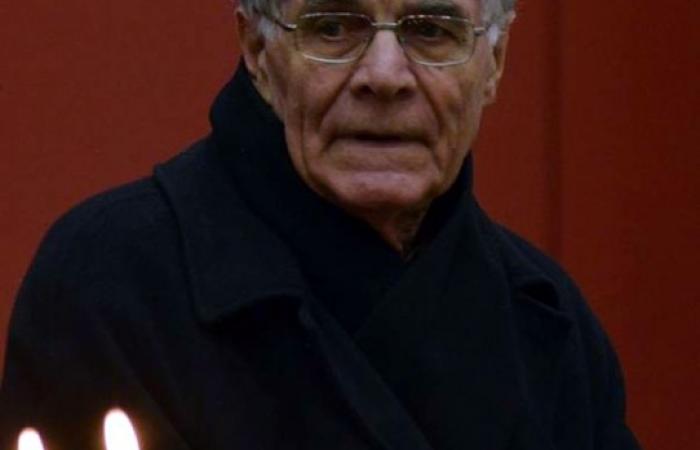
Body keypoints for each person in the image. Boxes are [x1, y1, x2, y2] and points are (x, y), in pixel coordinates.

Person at [0, 0, 642, 449]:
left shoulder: (548, 326)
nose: (384, 77)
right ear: (258, 51)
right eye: (333, 27)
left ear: (494, 63)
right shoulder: (111, 284)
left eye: (432, 30)